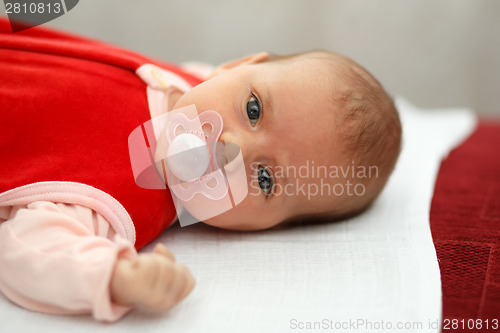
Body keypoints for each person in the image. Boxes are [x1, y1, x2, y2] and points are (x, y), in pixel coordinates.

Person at [0, 20, 401, 322]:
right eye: (254, 110)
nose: (235, 149)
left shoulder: (118, 203)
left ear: (264, 227)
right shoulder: (193, 80)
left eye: (265, 179)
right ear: (235, 66)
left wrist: (114, 276)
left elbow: (27, 250)